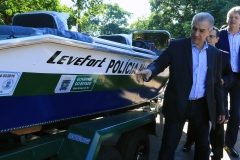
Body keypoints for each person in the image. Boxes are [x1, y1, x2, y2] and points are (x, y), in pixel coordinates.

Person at [136, 12, 225, 160]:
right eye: (193, 28)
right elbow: (160, 62)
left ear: (210, 32)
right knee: (169, 145)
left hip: (201, 107)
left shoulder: (215, 54)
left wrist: (221, 109)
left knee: (203, 146)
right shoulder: (177, 46)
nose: (196, 33)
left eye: (202, 31)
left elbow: (216, 83)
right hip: (177, 104)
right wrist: (150, 70)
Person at [182, 26, 234, 160]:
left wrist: (223, 81)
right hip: (200, 97)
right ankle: (189, 142)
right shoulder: (196, 52)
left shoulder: (223, 55)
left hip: (218, 97)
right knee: (195, 124)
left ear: (217, 39)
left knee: (218, 126)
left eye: (212, 37)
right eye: (208, 36)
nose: (208, 38)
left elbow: (231, 75)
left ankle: (217, 154)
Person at [215, 6, 240, 158]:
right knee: (220, 112)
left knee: (236, 113)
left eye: (236, 17)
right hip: (223, 77)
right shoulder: (220, 34)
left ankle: (229, 144)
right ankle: (215, 146)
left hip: (238, 78)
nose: (233, 20)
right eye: (231, 17)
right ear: (227, 19)